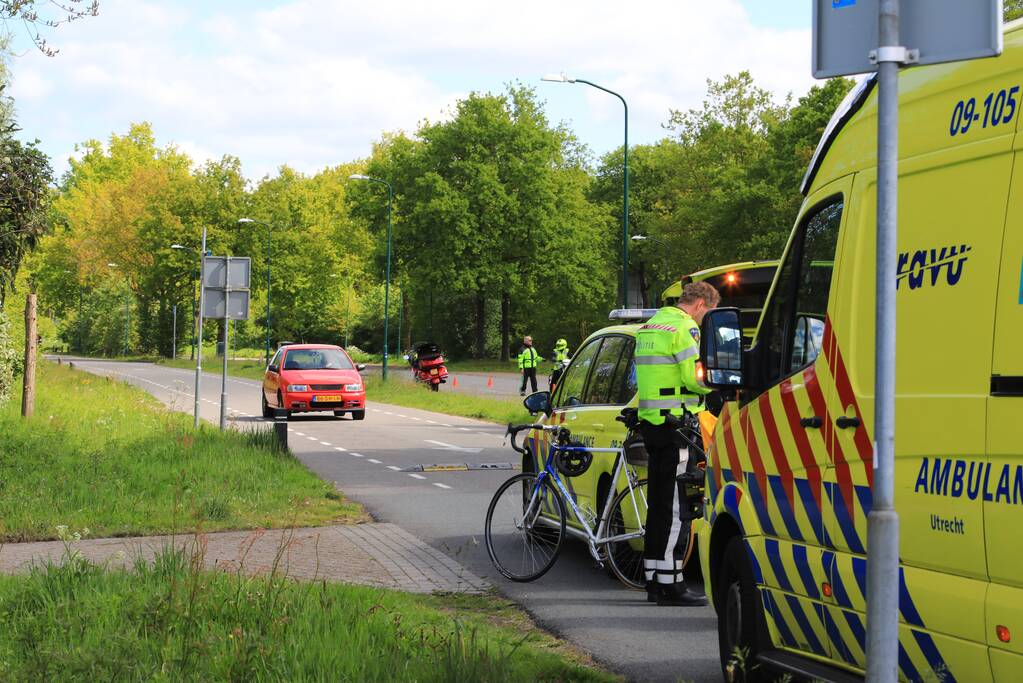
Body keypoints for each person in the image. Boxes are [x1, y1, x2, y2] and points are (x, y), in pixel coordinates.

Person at [635, 281, 720, 606]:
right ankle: (671, 585)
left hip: (653, 425)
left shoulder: (651, 325)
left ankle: (654, 580)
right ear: (701, 303)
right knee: (674, 507)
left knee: (658, 504)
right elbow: (691, 378)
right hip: (678, 427)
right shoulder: (684, 328)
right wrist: (714, 384)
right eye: (707, 314)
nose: (704, 321)